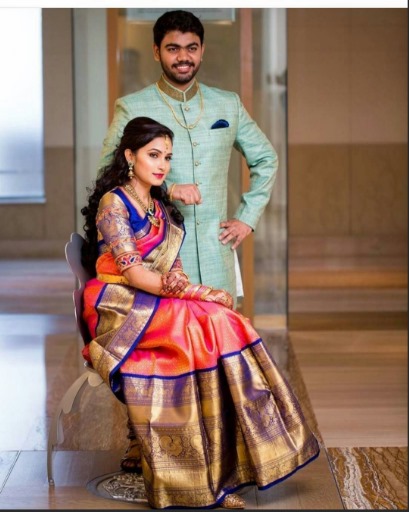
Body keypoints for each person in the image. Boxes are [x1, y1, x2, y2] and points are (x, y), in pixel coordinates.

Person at [81, 117, 319, 510]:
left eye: (167, 157)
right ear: (129, 156)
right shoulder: (114, 203)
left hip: (152, 298)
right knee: (196, 329)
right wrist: (196, 291)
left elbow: (169, 262)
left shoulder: (157, 204)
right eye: (153, 155)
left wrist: (184, 283)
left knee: (226, 322)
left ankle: (236, 460)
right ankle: (193, 477)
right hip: (119, 305)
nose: (162, 165)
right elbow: (134, 272)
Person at [98, 9, 279, 305]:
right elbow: (108, 173)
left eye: (191, 48)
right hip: (158, 261)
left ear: (202, 51)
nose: (183, 57)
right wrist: (168, 189)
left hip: (216, 254)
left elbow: (266, 159)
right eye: (173, 48)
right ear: (156, 52)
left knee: (221, 332)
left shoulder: (228, 104)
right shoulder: (132, 107)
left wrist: (246, 218)